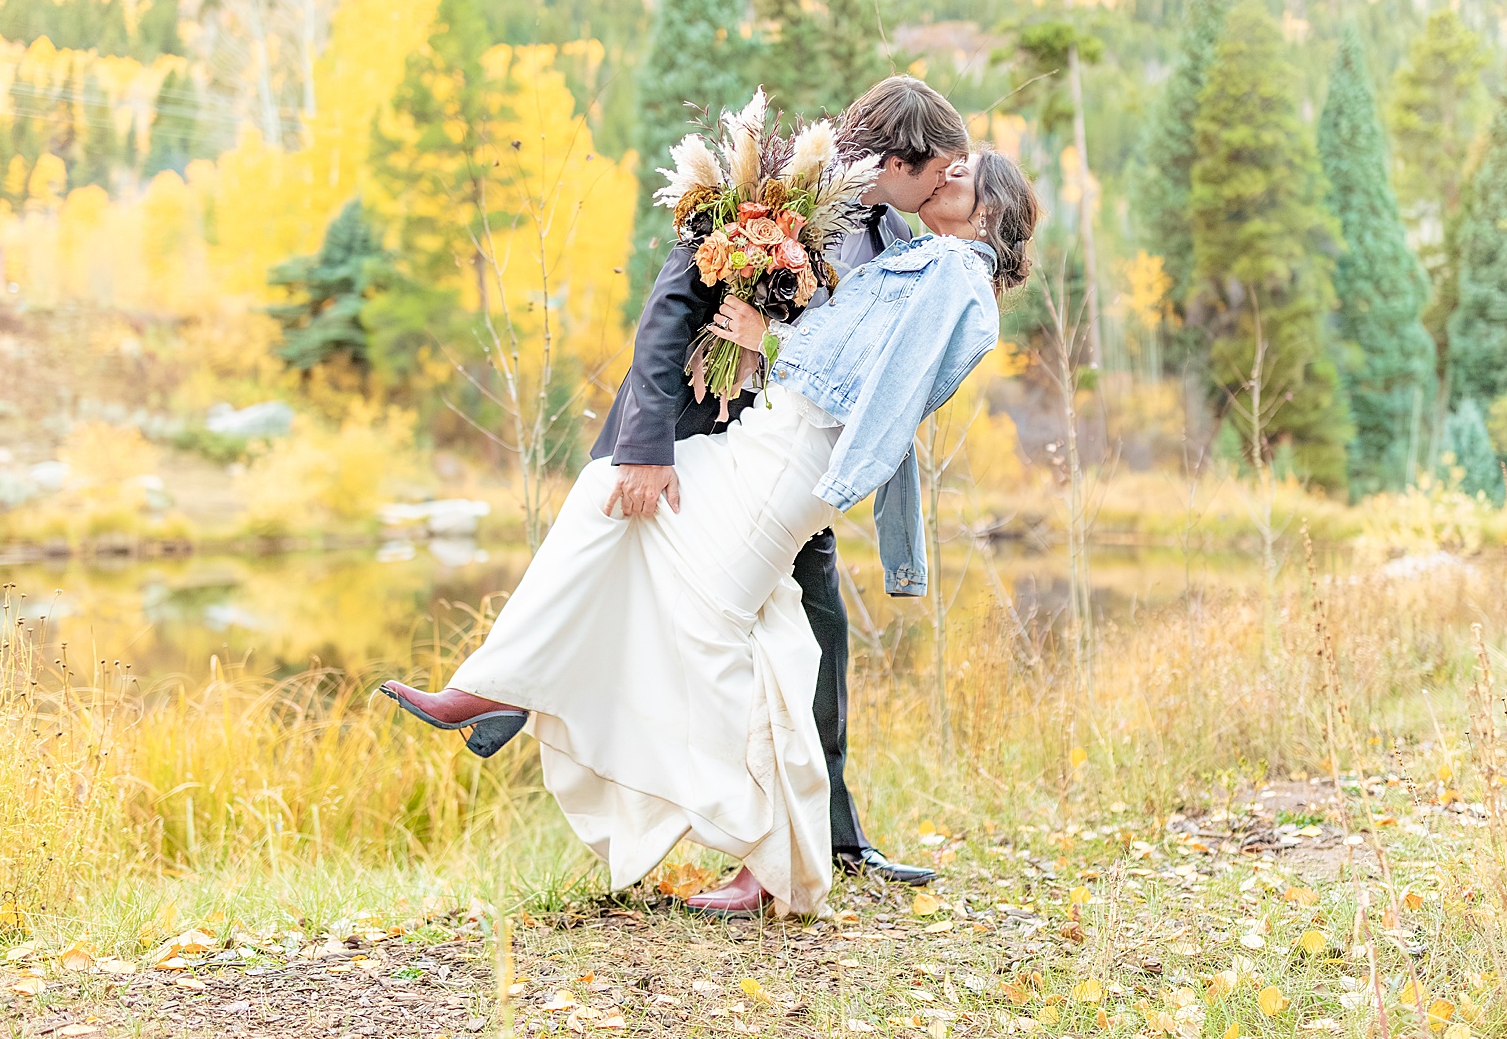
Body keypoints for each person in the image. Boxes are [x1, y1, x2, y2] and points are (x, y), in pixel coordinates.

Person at [382, 151, 1038, 916]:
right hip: (765, 440)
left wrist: (773, 343)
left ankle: (765, 853)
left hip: (795, 461)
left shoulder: (958, 279)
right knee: (627, 509)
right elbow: (855, 347)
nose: (948, 172)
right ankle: (496, 686)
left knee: (711, 636)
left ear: (989, 209)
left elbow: (886, 385)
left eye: (967, 173)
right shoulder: (928, 258)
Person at [602, 75, 970, 893]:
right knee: (674, 614)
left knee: (821, 645)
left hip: (800, 470)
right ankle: (516, 703)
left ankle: (830, 840)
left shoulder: (896, 241)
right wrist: (646, 445)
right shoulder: (772, 187)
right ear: (900, 161)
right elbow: (669, 311)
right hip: (708, 444)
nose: (944, 185)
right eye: (940, 170)